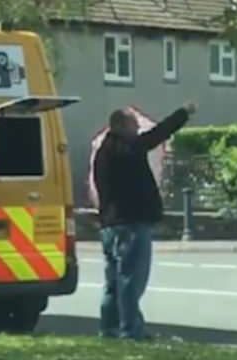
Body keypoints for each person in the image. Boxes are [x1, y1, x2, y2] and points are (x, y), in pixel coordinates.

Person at [93, 102, 197, 340]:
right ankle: (130, 330)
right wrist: (183, 113)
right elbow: (157, 135)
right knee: (131, 280)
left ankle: (109, 327)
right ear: (121, 126)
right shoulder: (125, 147)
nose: (138, 129)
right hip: (130, 224)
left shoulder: (104, 151)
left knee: (113, 282)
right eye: (134, 125)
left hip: (110, 225)